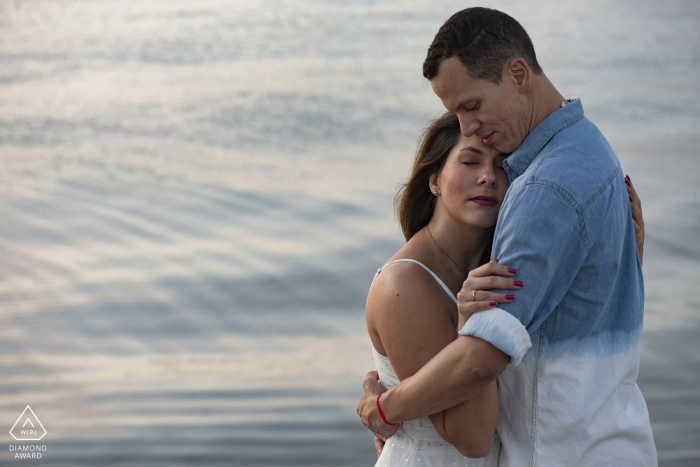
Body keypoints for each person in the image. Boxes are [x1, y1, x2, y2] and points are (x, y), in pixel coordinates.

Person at [358, 7, 656, 467]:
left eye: (471, 106)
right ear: (433, 179)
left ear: (518, 74)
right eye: (456, 115)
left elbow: (480, 361)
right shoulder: (590, 151)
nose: (468, 127)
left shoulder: (543, 189)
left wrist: (385, 408)